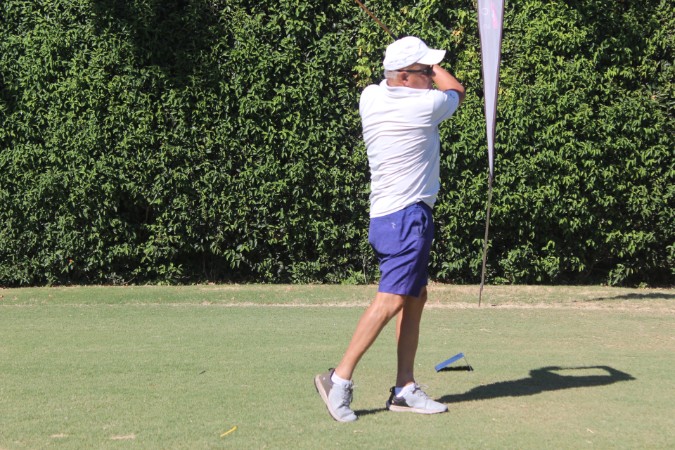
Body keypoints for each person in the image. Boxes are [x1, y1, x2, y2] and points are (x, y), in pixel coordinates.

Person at [314, 36, 466, 422]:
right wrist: (436, 69)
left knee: (415, 296)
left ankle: (404, 389)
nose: (430, 77)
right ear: (403, 77)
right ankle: (338, 379)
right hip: (406, 217)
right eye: (423, 71)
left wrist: (419, 66)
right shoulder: (426, 105)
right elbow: (457, 90)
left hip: (389, 216)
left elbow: (399, 81)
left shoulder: (370, 95)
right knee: (391, 300)